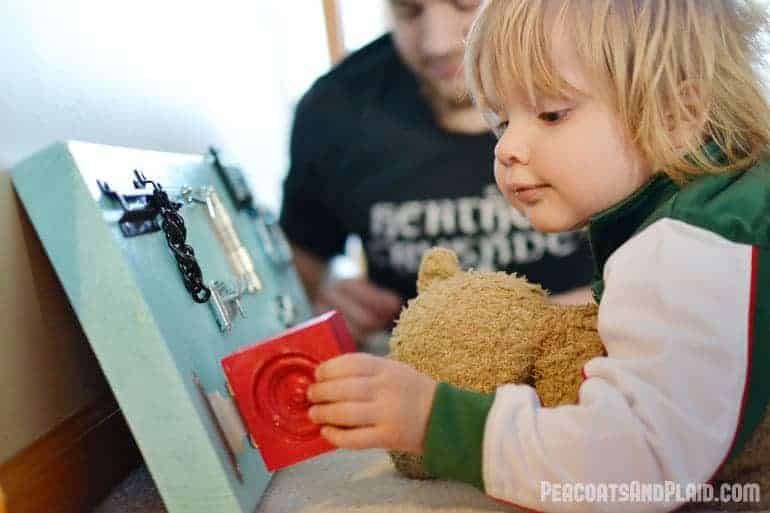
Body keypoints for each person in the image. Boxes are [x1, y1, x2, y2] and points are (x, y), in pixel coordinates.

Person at [305, 0, 770, 511]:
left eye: (551, 113)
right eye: (503, 122)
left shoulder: (688, 247)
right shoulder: (719, 203)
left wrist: (435, 421)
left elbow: (638, 466)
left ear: (676, 114)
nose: (506, 149)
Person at [279, 0, 595, 344]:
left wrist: (517, 330)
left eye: (465, 5)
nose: (437, 44)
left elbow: (660, 265)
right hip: (407, 373)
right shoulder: (334, 109)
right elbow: (296, 275)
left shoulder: (604, 73)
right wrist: (325, 298)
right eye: (410, 12)